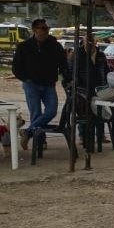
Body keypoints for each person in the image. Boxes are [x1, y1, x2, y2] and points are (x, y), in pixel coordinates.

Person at [12, 19, 71, 150]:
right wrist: (25, 79)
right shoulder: (24, 46)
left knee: (51, 111)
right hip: (31, 84)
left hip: (49, 84)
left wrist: (68, 79)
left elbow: (63, 65)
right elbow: (16, 67)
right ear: (34, 30)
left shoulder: (55, 45)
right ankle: (40, 142)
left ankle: (27, 132)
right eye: (43, 28)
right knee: (36, 113)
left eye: (47, 28)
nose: (46, 30)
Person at [70, 37, 110, 146]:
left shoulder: (101, 55)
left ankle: (101, 135)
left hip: (99, 88)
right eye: (88, 41)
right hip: (82, 89)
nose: (90, 43)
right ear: (83, 42)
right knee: (84, 111)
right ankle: (83, 136)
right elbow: (72, 71)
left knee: (101, 109)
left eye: (92, 41)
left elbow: (106, 70)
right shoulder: (77, 54)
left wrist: (107, 84)